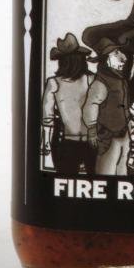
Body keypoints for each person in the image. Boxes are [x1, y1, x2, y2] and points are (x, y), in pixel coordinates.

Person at [41, 33, 96, 175]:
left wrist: (45, 141)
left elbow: (47, 117)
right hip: (92, 140)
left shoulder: (53, 82)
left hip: (65, 142)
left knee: (65, 179)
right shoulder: (91, 80)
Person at [83, 40, 133, 175]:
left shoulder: (120, 80)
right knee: (106, 173)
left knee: (122, 171)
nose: (123, 58)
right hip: (107, 136)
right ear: (106, 59)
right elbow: (90, 106)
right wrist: (92, 129)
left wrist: (128, 120)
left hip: (123, 134)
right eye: (116, 53)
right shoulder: (101, 83)